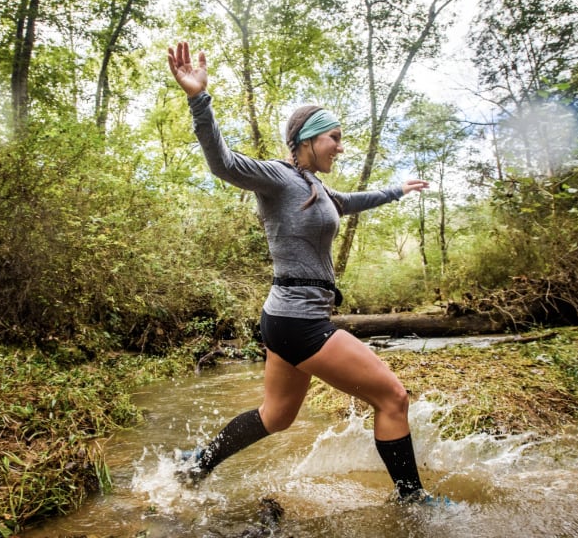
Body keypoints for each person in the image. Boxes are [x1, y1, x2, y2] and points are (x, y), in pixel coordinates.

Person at [167, 41, 433, 503]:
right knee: (393, 398)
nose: (341, 147)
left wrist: (397, 191)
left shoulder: (316, 187)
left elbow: (348, 202)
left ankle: (198, 466)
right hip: (298, 320)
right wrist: (198, 98)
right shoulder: (278, 178)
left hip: (287, 317)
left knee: (276, 415)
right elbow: (223, 163)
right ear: (308, 139)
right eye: (335, 138)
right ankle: (414, 503)